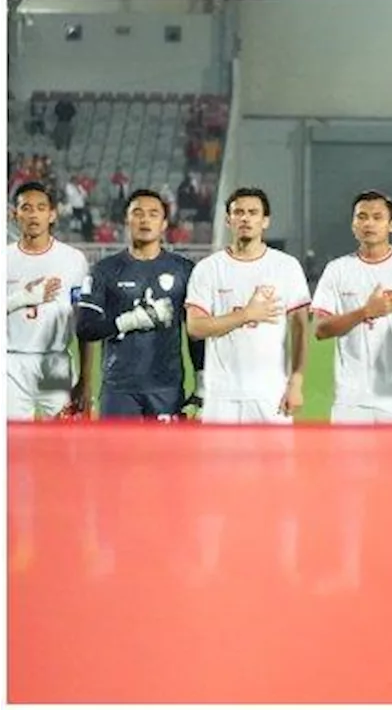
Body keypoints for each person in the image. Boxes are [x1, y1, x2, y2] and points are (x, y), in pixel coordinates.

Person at [182, 187, 311, 583]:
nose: (245, 218)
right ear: (227, 219)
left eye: (253, 212)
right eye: (237, 211)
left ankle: (283, 565)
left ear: (265, 221)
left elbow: (301, 326)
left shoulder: (285, 266)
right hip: (221, 394)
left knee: (279, 485)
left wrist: (297, 379)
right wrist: (245, 314)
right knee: (214, 486)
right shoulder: (208, 269)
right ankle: (210, 563)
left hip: (269, 393)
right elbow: (196, 326)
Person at [6, 181, 92, 573]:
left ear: (53, 213)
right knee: (15, 459)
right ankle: (19, 539)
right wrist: (25, 297)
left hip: (54, 363)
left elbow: (84, 319)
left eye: (41, 207)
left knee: (64, 454)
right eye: (26, 207)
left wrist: (83, 378)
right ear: (15, 214)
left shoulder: (73, 259)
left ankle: (63, 535)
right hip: (10, 364)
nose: (34, 214)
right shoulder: (5, 259)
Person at [76, 189, 205, 420]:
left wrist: (202, 382)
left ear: (164, 223)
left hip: (167, 389)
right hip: (118, 389)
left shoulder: (184, 270)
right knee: (117, 457)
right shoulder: (105, 270)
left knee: (164, 457)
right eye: (138, 213)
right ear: (127, 219)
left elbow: (195, 331)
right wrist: (130, 320)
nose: (145, 219)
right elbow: (86, 328)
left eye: (153, 214)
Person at [312, 190, 392, 423]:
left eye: (377, 217)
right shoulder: (337, 270)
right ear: (353, 224)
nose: (368, 223)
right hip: (351, 399)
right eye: (361, 216)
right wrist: (366, 312)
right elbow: (320, 329)